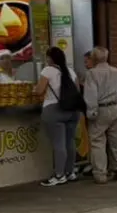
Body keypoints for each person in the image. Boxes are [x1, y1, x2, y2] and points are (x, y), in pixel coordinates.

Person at [34, 47, 83, 187]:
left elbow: (39, 91)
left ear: (50, 58)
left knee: (58, 144)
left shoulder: (47, 70)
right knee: (70, 142)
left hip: (54, 111)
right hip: (72, 112)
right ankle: (70, 172)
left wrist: (34, 88)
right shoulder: (71, 71)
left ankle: (59, 175)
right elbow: (77, 91)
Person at [82, 47, 117, 184]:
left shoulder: (92, 74)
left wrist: (91, 111)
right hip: (116, 107)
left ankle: (100, 173)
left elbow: (91, 94)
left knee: (97, 141)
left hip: (101, 108)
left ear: (94, 58)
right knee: (116, 139)